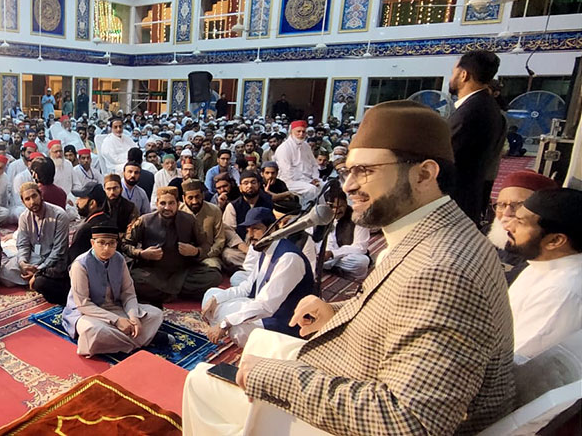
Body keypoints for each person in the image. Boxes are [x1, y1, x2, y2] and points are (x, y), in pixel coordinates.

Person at [182, 100, 515, 436]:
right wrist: (336, 310)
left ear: (424, 174)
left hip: (367, 404)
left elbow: (408, 421)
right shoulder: (437, 233)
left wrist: (268, 377)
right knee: (259, 346)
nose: (349, 186)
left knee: (200, 381)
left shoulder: (443, 269)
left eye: (365, 171)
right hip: (370, 366)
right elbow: (400, 309)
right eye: (347, 172)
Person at [199, 206, 315, 347]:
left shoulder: (288, 258)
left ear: (273, 229)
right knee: (211, 295)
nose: (250, 235)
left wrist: (225, 323)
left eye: (256, 229)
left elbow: (265, 305)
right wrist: (216, 299)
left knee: (237, 328)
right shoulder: (264, 249)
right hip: (261, 308)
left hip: (282, 323)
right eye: (248, 230)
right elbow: (246, 288)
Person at [62, 225, 167, 356]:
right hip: (88, 313)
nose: (106, 248)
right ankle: (141, 340)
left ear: (116, 244)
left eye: (111, 243)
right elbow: (83, 304)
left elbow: (128, 293)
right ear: (92, 243)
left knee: (156, 314)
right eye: (101, 243)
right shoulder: (80, 264)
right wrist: (117, 321)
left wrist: (134, 317)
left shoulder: (119, 259)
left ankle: (121, 341)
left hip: (116, 307)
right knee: (93, 331)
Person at [504, 188, 582, 363]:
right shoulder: (541, 264)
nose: (508, 226)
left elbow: (516, 362)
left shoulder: (563, 292)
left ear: (555, 241)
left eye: (520, 222)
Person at [123, 187, 221, 306]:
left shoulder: (189, 220)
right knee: (133, 279)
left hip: (182, 272)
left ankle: (165, 294)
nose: (167, 208)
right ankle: (178, 293)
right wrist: (142, 253)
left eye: (171, 203)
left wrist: (195, 251)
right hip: (152, 273)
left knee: (214, 277)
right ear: (156, 203)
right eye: (163, 203)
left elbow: (205, 245)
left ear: (178, 204)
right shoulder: (145, 220)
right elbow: (125, 245)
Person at [448, 51, 506, 226]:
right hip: (471, 196)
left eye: (453, 72)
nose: (451, 77)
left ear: (463, 75)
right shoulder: (488, 107)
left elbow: (446, 159)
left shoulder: (470, 113)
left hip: (455, 204)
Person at [0, 182, 72, 304]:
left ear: (41, 195)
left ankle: (36, 278)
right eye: (27, 199)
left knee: (45, 279)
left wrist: (40, 270)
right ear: (23, 202)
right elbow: (23, 244)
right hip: (34, 257)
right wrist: (23, 263)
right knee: (3, 275)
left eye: (34, 196)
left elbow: (59, 250)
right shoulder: (24, 217)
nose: (32, 202)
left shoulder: (59, 215)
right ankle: (31, 277)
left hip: (53, 260)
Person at [486, 170, 558, 283]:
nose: (506, 213)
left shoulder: (539, 249)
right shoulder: (485, 233)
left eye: (519, 205)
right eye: (501, 205)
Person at [318, 188, 372, 280]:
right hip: (328, 257)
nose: (337, 210)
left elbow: (360, 248)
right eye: (333, 207)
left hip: (347, 257)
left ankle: (329, 267)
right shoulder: (323, 217)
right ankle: (332, 267)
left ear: (346, 203)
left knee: (362, 261)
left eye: (341, 206)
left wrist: (332, 253)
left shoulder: (357, 218)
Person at [180, 179, 228, 270]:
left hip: (208, 256)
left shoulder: (214, 210)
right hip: (184, 257)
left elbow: (220, 240)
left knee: (213, 271)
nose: (194, 201)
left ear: (203, 195)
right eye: (190, 198)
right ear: (183, 198)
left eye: (197, 197)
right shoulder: (178, 212)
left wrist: (204, 253)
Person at [274, 120, 320, 205]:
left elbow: (314, 165)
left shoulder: (306, 146)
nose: (301, 134)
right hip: (289, 181)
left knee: (325, 186)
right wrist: (308, 181)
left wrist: (315, 178)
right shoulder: (284, 148)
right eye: (298, 131)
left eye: (303, 132)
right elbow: (287, 172)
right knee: (311, 189)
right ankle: (306, 212)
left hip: (308, 179)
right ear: (291, 132)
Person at [68, 182, 112, 261]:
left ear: (92, 203)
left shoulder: (86, 229)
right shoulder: (109, 222)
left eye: (81, 198)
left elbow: (74, 260)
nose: (76, 202)